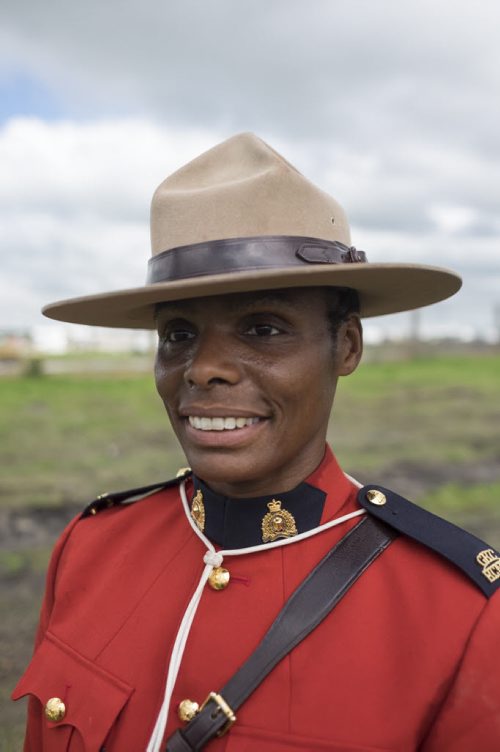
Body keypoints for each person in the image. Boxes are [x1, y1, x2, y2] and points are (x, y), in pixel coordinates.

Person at [13, 133, 500, 751]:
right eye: (179, 334)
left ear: (345, 346)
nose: (203, 368)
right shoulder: (91, 549)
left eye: (262, 328)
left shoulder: (457, 614)